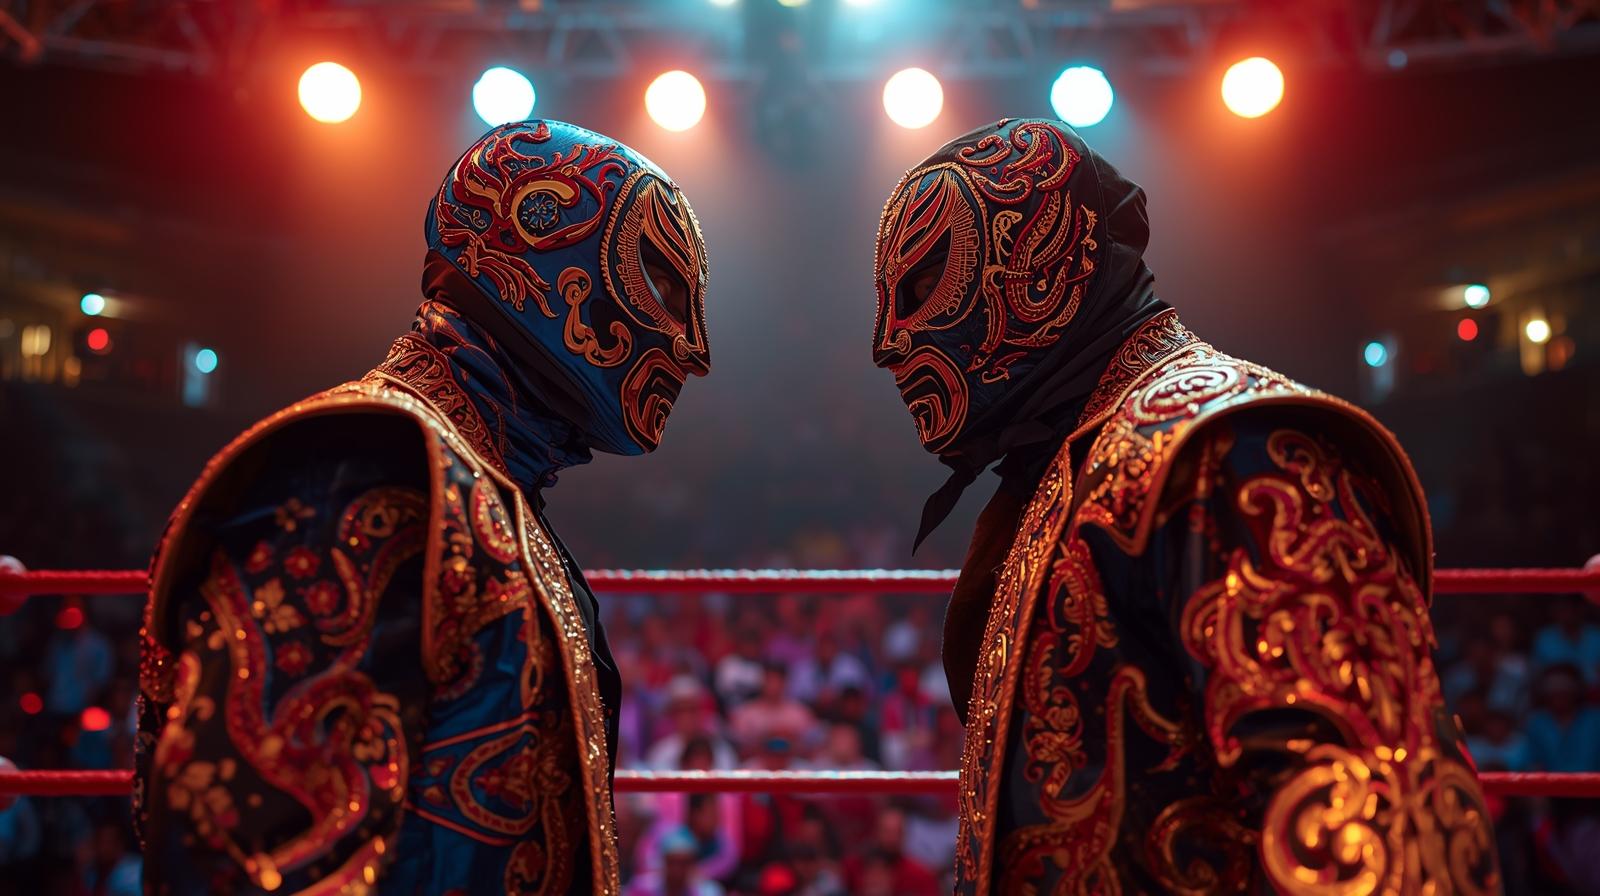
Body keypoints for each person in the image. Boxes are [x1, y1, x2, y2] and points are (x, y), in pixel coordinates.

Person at [869, 118, 1498, 892]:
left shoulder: (1234, 448)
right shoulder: (1070, 465)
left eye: (926, 284)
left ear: (1034, 261)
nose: (889, 342)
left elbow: (1387, 839)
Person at [136, 120, 712, 894]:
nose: (690, 347)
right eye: (662, 287)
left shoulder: (476, 477)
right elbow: (247, 846)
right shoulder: (361, 467)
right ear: (541, 247)